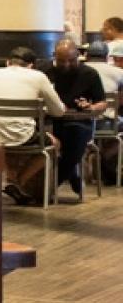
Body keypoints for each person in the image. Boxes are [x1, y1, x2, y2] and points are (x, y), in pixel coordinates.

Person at [0, 47, 72, 200]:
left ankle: (9, 181)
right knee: (54, 144)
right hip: (22, 136)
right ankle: (18, 182)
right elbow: (59, 111)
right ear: (31, 65)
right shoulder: (38, 76)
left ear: (7, 62)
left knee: (3, 139)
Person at [42, 40, 108, 199]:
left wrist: (91, 107)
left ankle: (52, 185)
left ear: (78, 56)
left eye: (70, 60)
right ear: (54, 57)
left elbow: (103, 103)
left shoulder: (89, 74)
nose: (65, 64)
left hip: (79, 121)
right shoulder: (45, 72)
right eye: (61, 61)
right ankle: (72, 174)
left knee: (75, 134)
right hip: (50, 121)